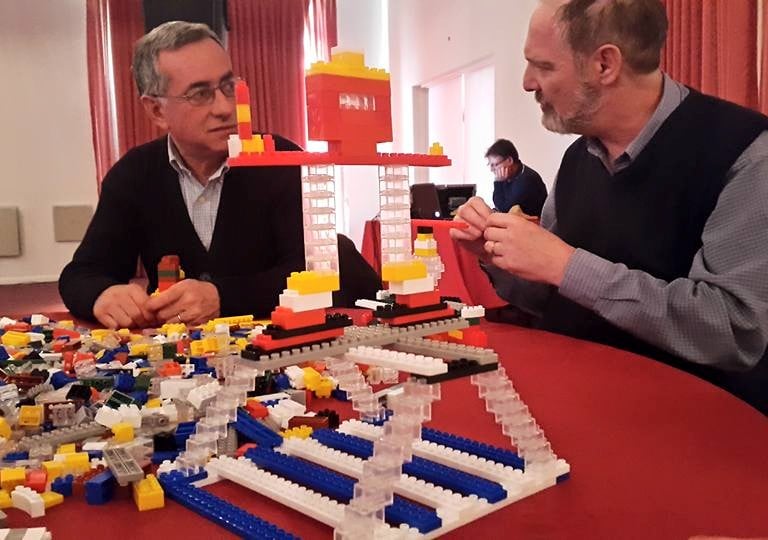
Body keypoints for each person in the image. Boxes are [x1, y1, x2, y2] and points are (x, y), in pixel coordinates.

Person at [451, 0, 768, 414]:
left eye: (543, 66)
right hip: (580, 409)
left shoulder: (743, 153)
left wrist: (567, 265)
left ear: (605, 64)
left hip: (695, 432)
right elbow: (554, 298)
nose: (528, 83)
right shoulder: (577, 160)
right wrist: (494, 254)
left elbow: (733, 329)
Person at [59, 21, 380, 329]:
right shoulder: (132, 175)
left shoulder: (281, 160)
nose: (226, 107)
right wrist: (102, 296)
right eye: (200, 94)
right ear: (156, 111)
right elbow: (81, 274)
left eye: (228, 86)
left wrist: (223, 297)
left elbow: (331, 274)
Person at [485, 138, 547, 216]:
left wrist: (498, 182)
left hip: (534, 224)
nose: (492, 169)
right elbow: (499, 205)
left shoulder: (527, 180)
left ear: (510, 161)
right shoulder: (509, 176)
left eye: (495, 165)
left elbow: (505, 209)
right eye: (490, 165)